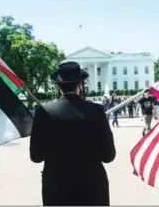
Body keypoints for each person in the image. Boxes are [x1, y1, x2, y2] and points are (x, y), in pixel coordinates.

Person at [29, 61, 116, 206]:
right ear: (80, 84)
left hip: (57, 189)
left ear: (58, 86)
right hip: (92, 189)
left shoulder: (44, 113)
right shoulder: (96, 111)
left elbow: (36, 156)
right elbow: (109, 156)